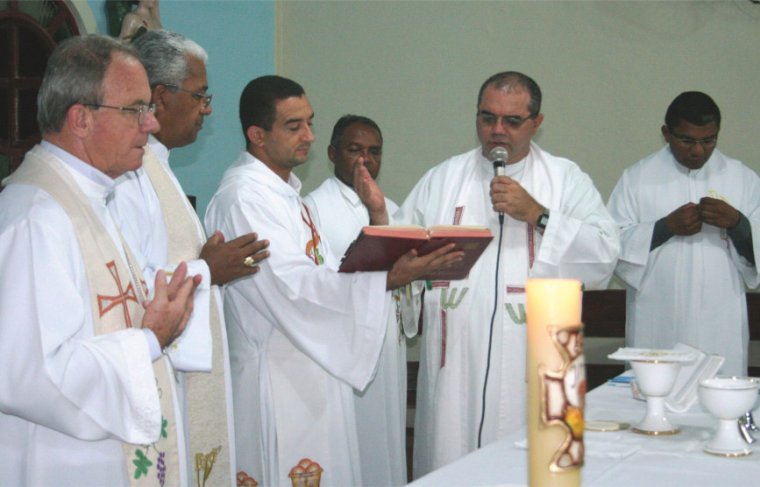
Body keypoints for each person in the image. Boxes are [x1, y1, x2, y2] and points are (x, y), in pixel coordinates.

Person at [204, 75, 462, 487]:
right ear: (257, 134)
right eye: (293, 126)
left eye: (310, 122)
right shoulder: (244, 198)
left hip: (310, 370)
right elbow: (292, 289)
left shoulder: (284, 195)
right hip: (276, 380)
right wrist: (386, 279)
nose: (308, 135)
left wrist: (380, 224)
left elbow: (325, 275)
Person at [394, 71, 620, 477]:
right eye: (487, 118)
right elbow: (401, 251)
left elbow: (605, 252)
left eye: (512, 121)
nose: (497, 130)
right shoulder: (443, 179)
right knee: (452, 465)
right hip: (456, 361)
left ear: (537, 123)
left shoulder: (565, 178)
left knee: (538, 471)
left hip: (542, 356)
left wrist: (538, 214)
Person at [0, 34, 200, 485]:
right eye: (135, 109)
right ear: (81, 119)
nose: (150, 125)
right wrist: (149, 340)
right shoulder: (37, 216)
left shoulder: (92, 198)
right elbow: (27, 373)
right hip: (60, 462)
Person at [110, 30, 269, 485]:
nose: (208, 108)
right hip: (156, 375)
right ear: (160, 98)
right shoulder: (131, 175)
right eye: (200, 95)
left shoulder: (158, 168)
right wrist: (208, 270)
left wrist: (206, 264)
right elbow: (133, 284)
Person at [607, 91, 760, 376]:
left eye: (708, 140)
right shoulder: (637, 178)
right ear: (666, 133)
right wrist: (664, 228)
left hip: (721, 320)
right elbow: (609, 244)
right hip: (659, 319)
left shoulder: (743, 179)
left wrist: (738, 224)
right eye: (687, 140)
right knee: (656, 404)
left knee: (720, 405)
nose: (698, 151)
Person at [303, 115, 408, 486]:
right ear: (332, 153)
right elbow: (322, 285)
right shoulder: (311, 210)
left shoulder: (392, 208)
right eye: (354, 150)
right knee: (356, 447)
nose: (366, 160)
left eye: (374, 152)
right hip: (347, 350)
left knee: (387, 441)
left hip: (389, 348)